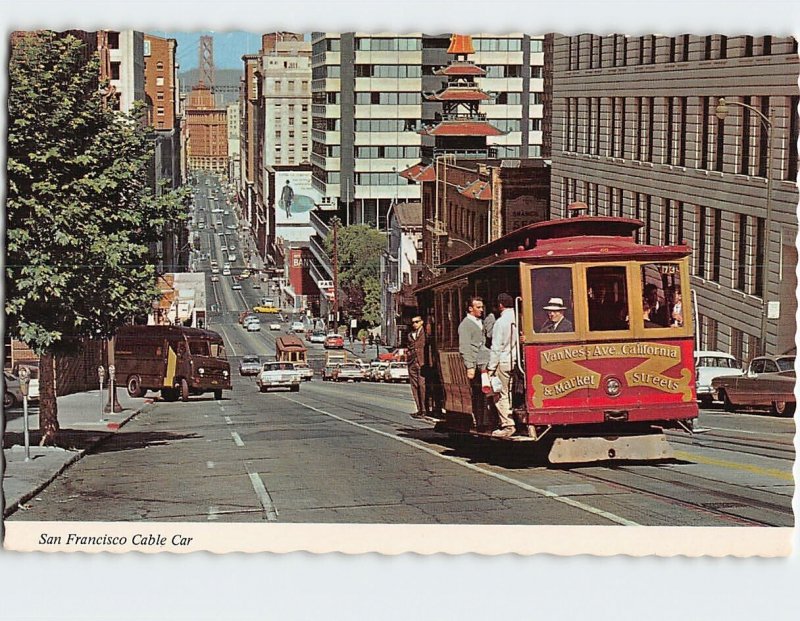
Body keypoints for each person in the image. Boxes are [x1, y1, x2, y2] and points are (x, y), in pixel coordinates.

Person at [458, 296, 491, 430]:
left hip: (484, 362)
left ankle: (485, 420)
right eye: (478, 307)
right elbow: (464, 346)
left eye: (482, 307)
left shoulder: (480, 322)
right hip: (476, 364)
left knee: (485, 392)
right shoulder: (465, 325)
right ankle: (480, 421)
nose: (481, 310)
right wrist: (470, 366)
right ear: (470, 309)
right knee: (478, 393)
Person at [487, 293, 517, 438]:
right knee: (512, 393)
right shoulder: (519, 318)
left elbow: (496, 347)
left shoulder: (500, 322)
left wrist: (491, 367)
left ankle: (507, 425)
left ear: (500, 305)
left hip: (504, 361)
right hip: (517, 361)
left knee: (501, 394)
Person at [407, 315, 429, 419]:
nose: (414, 324)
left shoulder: (426, 333)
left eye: (417, 322)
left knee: (422, 385)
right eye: (413, 322)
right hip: (412, 362)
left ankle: (424, 409)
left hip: (422, 362)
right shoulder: (410, 334)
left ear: (422, 322)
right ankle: (419, 409)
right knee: (414, 386)